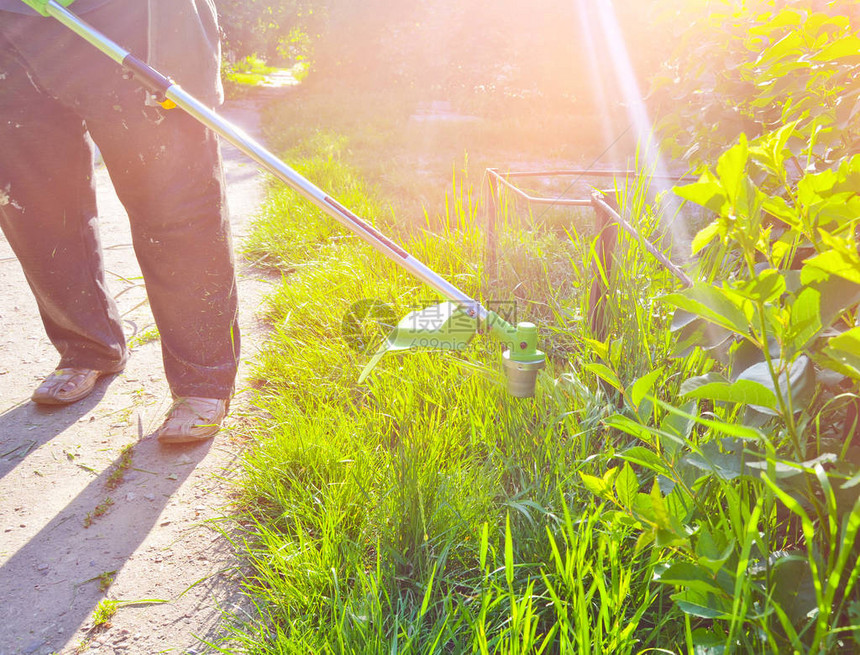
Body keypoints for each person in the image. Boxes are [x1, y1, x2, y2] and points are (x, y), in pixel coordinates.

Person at [0, 0, 239, 443]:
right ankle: (88, 346)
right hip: (11, 21)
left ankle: (201, 379)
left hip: (128, 13)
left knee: (174, 201)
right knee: (34, 205)